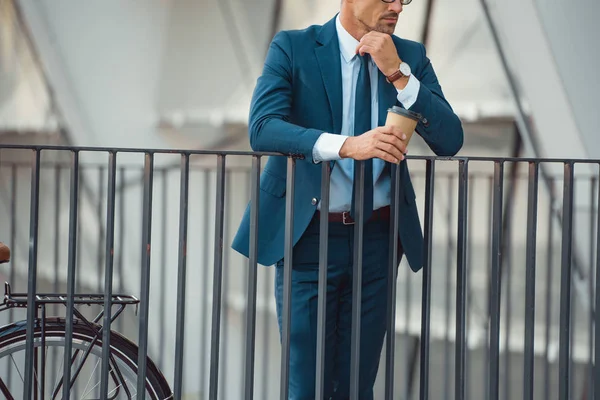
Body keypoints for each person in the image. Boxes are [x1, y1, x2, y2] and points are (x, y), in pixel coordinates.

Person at [232, 0, 463, 397]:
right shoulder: (293, 47)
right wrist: (346, 146)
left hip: (376, 242)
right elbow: (263, 127)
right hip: (308, 239)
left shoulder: (408, 56)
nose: (397, 7)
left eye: (404, 0)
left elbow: (450, 140)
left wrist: (399, 75)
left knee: (357, 383)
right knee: (306, 383)